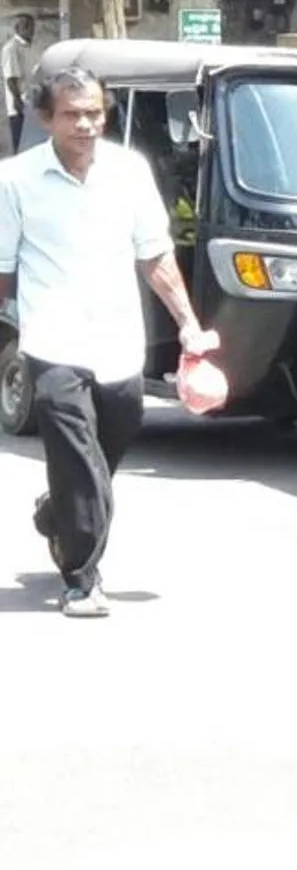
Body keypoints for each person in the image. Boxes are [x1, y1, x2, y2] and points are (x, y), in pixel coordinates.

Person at [0, 66, 217, 618]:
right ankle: (81, 578)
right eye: (72, 114)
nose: (86, 125)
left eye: (94, 113)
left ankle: (58, 512)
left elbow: (155, 255)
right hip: (52, 338)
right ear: (46, 118)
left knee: (106, 446)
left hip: (119, 339)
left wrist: (188, 324)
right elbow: (2, 267)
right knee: (76, 453)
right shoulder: (16, 179)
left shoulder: (129, 171)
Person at [2, 13, 31, 133]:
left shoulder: (27, 47)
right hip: (19, 107)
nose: (30, 29)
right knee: (20, 139)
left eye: (31, 26)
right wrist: (17, 100)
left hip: (29, 104)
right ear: (17, 28)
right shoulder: (11, 48)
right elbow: (10, 78)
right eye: (26, 26)